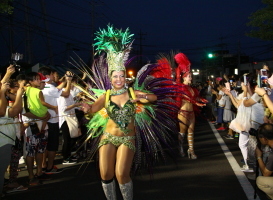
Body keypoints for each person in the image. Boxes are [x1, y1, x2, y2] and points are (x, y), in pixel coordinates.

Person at [79, 25, 180, 200]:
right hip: (108, 136)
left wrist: (143, 98)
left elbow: (154, 98)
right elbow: (92, 110)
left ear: (125, 77)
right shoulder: (106, 95)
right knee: (105, 174)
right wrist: (87, 110)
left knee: (121, 174)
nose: (119, 79)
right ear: (110, 78)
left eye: (121, 76)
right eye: (115, 76)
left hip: (128, 137)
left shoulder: (133, 93)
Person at [38, 67, 73, 174]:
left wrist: (64, 81)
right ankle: (50, 167)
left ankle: (44, 165)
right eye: (53, 75)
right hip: (52, 121)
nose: (54, 77)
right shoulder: (50, 88)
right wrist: (69, 81)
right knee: (52, 145)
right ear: (48, 76)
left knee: (45, 145)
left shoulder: (43, 87)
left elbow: (57, 89)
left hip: (45, 119)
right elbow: (66, 93)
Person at [175, 53, 206, 159]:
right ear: (184, 78)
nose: (191, 78)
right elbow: (187, 98)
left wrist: (201, 100)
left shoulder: (192, 89)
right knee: (182, 132)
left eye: (191, 76)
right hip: (183, 113)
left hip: (191, 113)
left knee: (191, 132)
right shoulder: (180, 87)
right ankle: (180, 148)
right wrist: (195, 102)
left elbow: (195, 97)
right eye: (189, 76)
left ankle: (191, 151)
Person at [0, 65, 24, 197]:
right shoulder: (2, 100)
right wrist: (19, 94)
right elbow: (7, 111)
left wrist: (8, 73)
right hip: (2, 141)